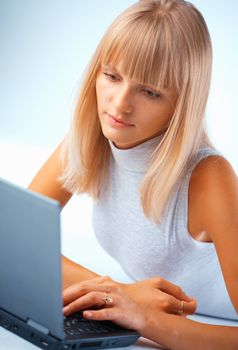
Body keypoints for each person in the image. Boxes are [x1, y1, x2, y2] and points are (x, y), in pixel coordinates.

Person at [28, 0, 238, 349]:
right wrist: (122, 294)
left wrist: (145, 321)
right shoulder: (88, 139)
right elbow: (11, 244)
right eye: (112, 76)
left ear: (182, 104)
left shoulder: (209, 178)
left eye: (150, 91)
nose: (119, 104)